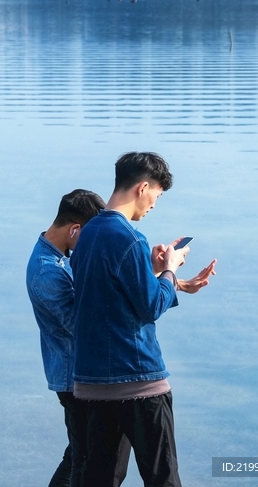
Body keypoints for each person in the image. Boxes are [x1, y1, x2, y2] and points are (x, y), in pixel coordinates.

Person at [71, 152, 216, 487]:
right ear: (143, 187)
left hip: (92, 381)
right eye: (157, 195)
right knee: (162, 478)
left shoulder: (88, 234)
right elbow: (151, 306)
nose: (154, 204)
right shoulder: (131, 238)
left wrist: (151, 271)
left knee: (98, 479)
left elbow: (107, 296)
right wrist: (170, 269)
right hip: (139, 380)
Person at [26, 189, 131, 487]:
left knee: (79, 455)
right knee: (87, 459)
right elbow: (81, 325)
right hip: (73, 380)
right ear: (75, 229)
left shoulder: (59, 259)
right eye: (90, 236)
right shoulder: (47, 273)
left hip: (76, 373)